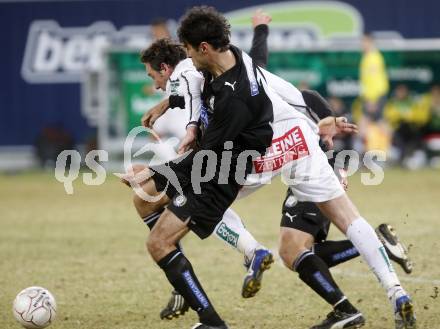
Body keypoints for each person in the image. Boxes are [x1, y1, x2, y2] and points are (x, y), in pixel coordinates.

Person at [127, 7, 415, 329]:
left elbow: (212, 149)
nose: (188, 59)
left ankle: (240, 262)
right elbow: (241, 70)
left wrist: (162, 173)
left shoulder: (229, 99)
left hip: (259, 153)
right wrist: (171, 103)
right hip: (301, 140)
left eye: (190, 52)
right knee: (347, 218)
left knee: (190, 196)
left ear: (203, 48)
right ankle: (397, 293)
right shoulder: (238, 58)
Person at [359, 33, 391, 154]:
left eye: (364, 42)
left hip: (375, 97)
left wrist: (372, 99)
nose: (362, 45)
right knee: (368, 124)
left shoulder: (373, 58)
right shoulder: (367, 57)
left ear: (370, 42)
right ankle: (370, 152)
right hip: (370, 97)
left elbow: (376, 80)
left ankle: (390, 150)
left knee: (379, 123)